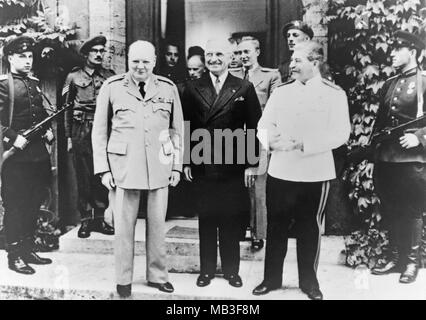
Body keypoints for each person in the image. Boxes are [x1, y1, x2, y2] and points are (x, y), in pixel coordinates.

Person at [253, 41, 350, 300]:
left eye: (297, 60)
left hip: (314, 173)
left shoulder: (334, 94)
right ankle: (271, 279)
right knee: (276, 227)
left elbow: (342, 133)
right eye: (292, 60)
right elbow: (263, 125)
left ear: (315, 62)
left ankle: (309, 282)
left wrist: (305, 144)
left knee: (310, 228)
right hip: (281, 171)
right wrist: (270, 141)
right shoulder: (282, 92)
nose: (291, 65)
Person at [92, 40, 184, 298]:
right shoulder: (111, 87)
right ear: (128, 61)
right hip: (123, 167)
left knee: (157, 226)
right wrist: (104, 170)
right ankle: (123, 279)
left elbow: (177, 129)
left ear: (154, 61)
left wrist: (177, 166)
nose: (140, 66)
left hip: (159, 165)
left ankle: (157, 276)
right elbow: (99, 131)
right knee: (123, 228)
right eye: (135, 61)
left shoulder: (167, 87)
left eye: (145, 61)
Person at [182, 38, 262, 288]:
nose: (214, 59)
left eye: (219, 54)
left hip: (233, 165)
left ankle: (231, 271)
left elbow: (255, 127)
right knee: (206, 218)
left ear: (230, 58)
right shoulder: (193, 88)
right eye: (210, 54)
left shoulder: (244, 87)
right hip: (203, 162)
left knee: (230, 218)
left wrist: (251, 163)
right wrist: (185, 161)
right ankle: (206, 270)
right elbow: (185, 126)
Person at [370, 31, 426, 284]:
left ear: (412, 52)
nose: (391, 54)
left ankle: (412, 263)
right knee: (390, 208)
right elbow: (380, 123)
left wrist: (421, 137)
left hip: (412, 159)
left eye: (397, 49)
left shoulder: (424, 81)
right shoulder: (389, 83)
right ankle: (395, 258)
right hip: (386, 158)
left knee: (412, 210)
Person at [0, 36, 55, 274]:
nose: (27, 60)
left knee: (34, 202)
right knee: (16, 205)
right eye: (22, 56)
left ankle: (28, 249)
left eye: (30, 56)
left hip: (37, 155)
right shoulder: (3, 85)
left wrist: (48, 130)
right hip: (16, 157)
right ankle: (14, 255)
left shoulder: (33, 83)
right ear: (10, 58)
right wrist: (12, 137)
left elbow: (40, 114)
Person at [62, 35, 115, 239]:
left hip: (103, 131)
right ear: (86, 54)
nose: (100, 54)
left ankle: (100, 219)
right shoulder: (73, 77)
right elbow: (65, 109)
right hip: (80, 130)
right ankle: (85, 221)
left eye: (102, 51)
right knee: (83, 176)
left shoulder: (110, 76)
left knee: (102, 174)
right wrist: (68, 137)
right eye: (95, 51)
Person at [231, 36, 281, 250]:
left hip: (260, 135)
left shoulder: (270, 76)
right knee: (236, 184)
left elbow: (276, 107)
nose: (243, 56)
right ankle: (238, 226)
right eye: (240, 53)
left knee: (258, 185)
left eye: (247, 52)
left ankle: (258, 233)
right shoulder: (231, 77)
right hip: (235, 137)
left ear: (257, 52)